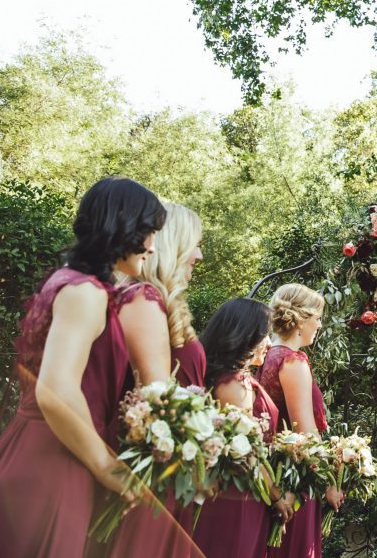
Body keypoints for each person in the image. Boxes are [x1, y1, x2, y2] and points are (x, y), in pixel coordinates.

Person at [0, 176, 166, 558]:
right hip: (55, 461)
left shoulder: (68, 281)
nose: (153, 247)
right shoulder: (85, 292)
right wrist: (109, 469)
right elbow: (56, 392)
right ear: (122, 228)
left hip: (33, 447)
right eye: (149, 232)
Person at [104, 202, 207, 557]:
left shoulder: (157, 301)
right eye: (194, 243)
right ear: (172, 244)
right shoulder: (141, 300)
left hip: (166, 467)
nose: (199, 255)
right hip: (150, 467)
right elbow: (156, 399)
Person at [194, 298, 293, 558]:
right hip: (235, 499)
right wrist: (277, 495)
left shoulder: (232, 379)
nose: (270, 343)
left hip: (242, 495)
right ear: (246, 335)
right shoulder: (234, 386)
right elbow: (247, 450)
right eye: (265, 335)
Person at [258, 283, 342, 558]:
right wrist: (330, 481)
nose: (319, 325)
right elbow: (305, 432)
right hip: (295, 479)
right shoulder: (293, 362)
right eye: (317, 318)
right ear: (301, 320)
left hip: (273, 475)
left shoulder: (267, 356)